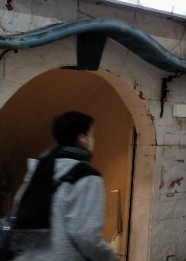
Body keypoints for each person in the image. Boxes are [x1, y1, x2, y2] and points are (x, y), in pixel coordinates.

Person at [11, 111, 116, 260]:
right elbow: (85, 234)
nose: (93, 140)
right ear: (82, 139)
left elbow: (17, 206)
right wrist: (108, 255)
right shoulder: (86, 175)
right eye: (91, 135)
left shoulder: (40, 168)